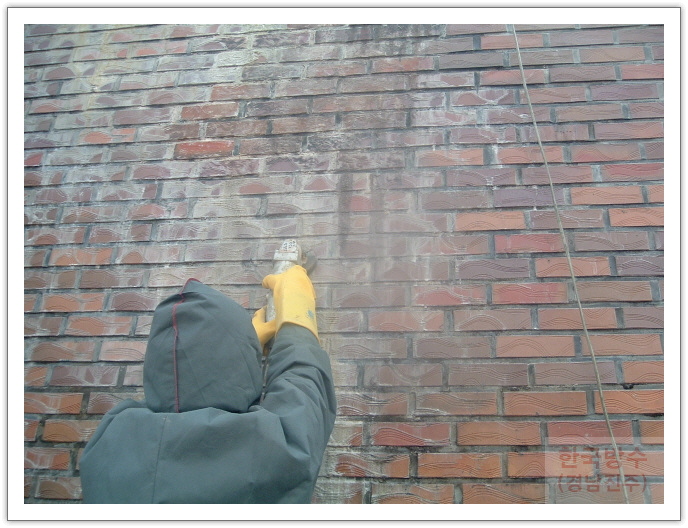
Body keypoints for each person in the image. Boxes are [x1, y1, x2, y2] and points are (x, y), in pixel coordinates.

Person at [80, 265, 336, 503]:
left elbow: (174, 384)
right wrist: (297, 320)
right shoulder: (267, 449)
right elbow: (305, 388)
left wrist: (235, 354)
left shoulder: (107, 443)